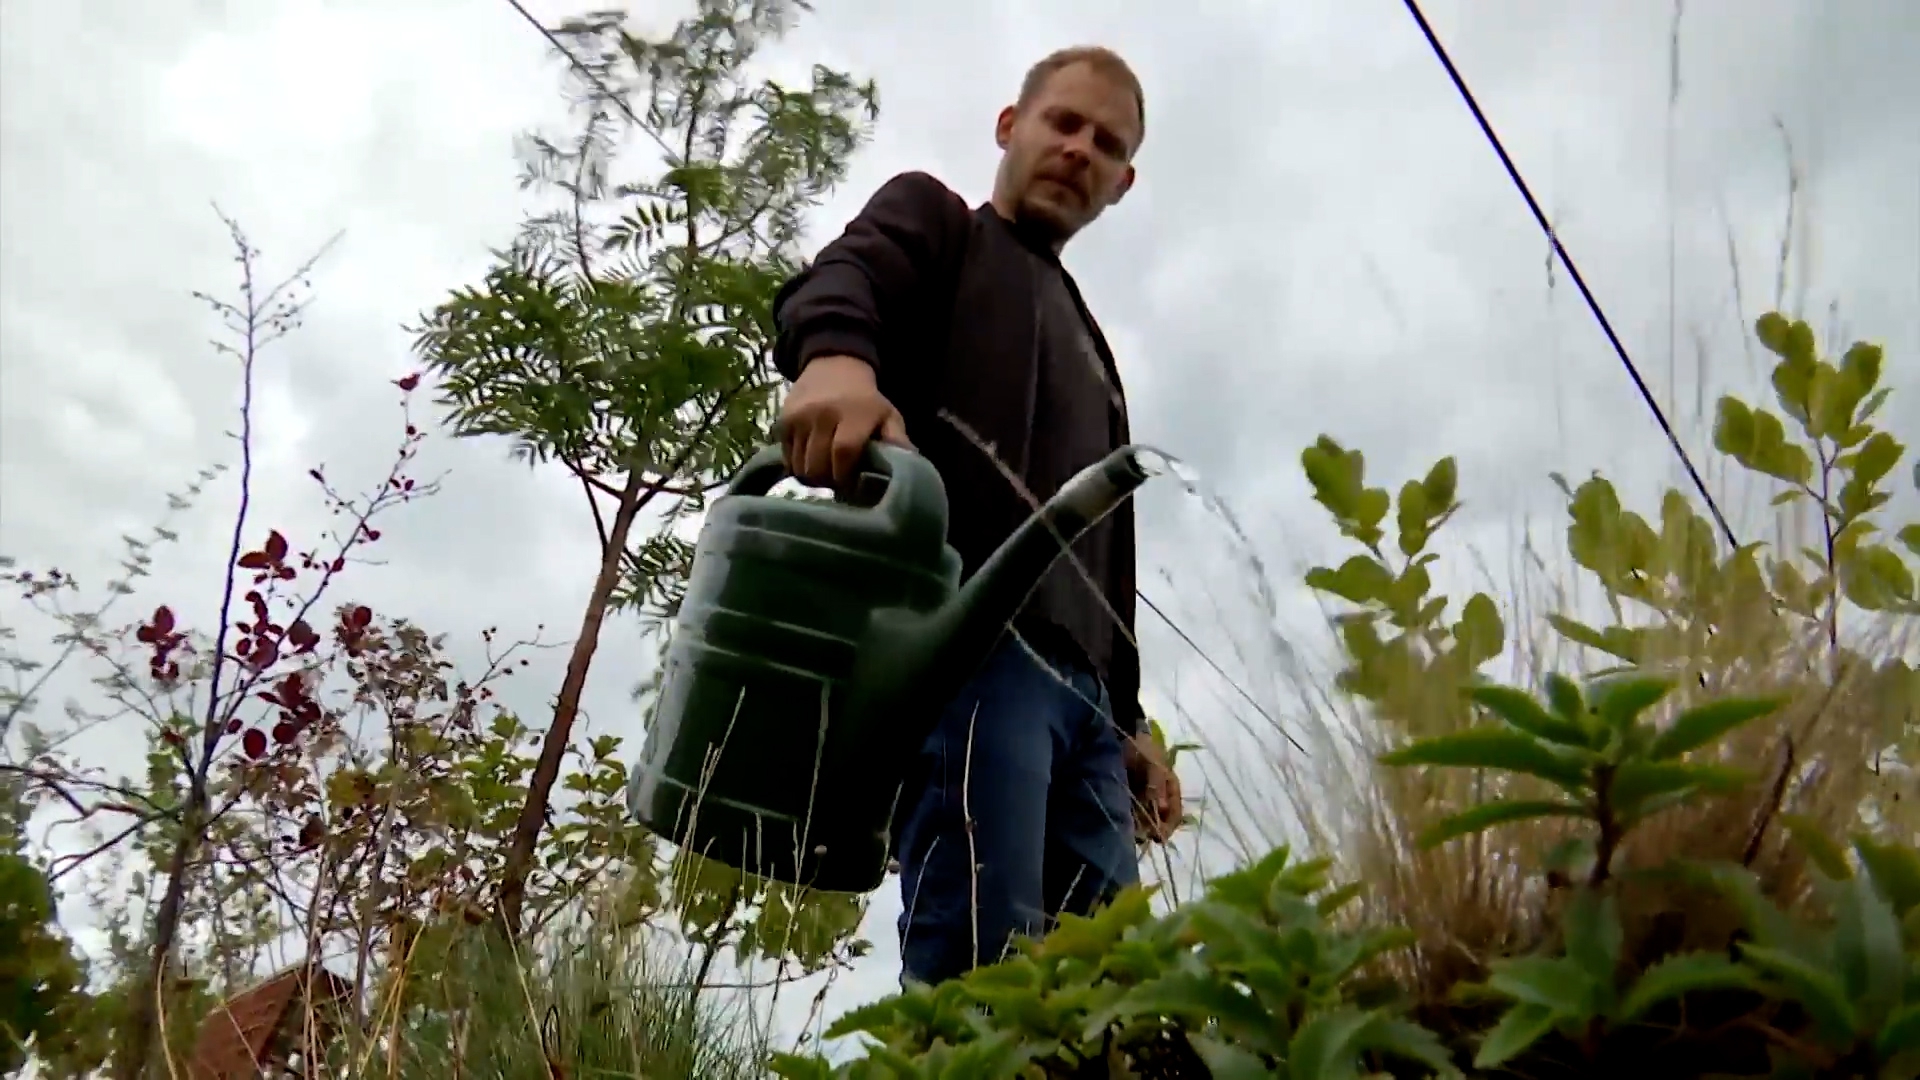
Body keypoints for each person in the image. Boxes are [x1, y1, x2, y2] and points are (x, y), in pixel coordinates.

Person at [769, 45, 1182, 988]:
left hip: (1087, 711)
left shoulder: (1098, 355)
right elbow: (841, 284)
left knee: (1111, 979)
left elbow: (1104, 563)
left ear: (1123, 182)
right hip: (969, 652)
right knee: (979, 965)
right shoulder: (938, 225)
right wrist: (836, 360)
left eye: (1106, 143)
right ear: (1010, 126)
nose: (1080, 150)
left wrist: (1129, 721)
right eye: (1063, 123)